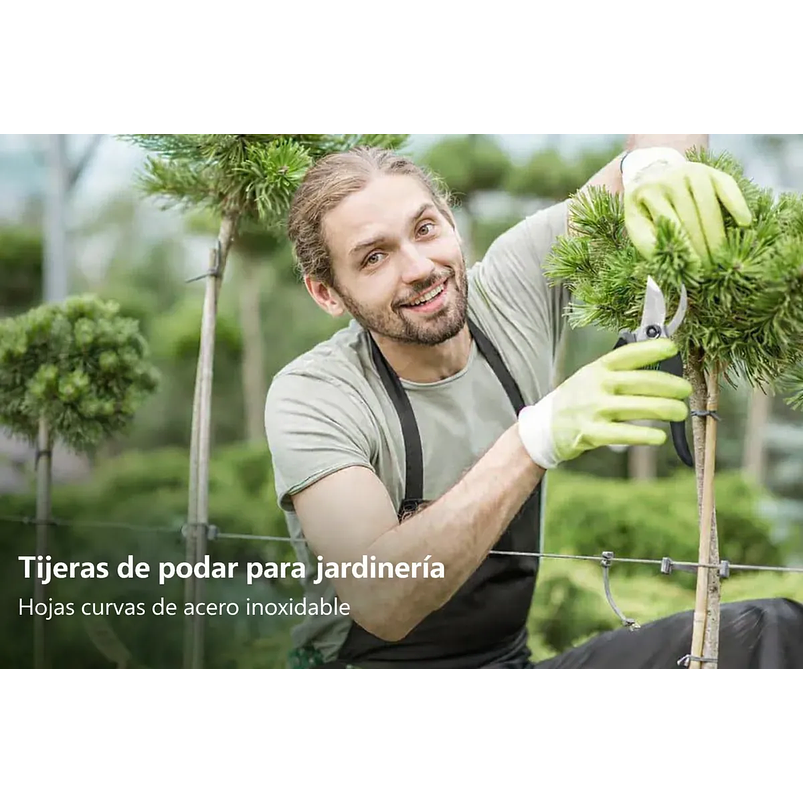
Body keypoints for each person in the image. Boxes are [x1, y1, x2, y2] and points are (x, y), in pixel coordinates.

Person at [264, 134, 803, 670]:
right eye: (375, 257)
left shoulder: (509, 290)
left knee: (770, 632)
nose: (419, 267)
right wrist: (534, 438)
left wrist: (654, 167)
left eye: (424, 229)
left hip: (508, 662)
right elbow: (381, 601)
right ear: (326, 293)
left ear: (451, 222)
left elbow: (647, 154)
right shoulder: (315, 395)